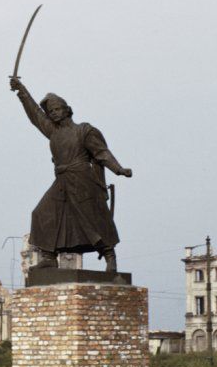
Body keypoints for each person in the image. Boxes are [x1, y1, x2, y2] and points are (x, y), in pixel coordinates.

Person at [9, 77, 132, 272]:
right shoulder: (53, 132)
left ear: (67, 109)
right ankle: (49, 256)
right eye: (51, 112)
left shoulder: (84, 130)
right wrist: (21, 91)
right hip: (62, 180)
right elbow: (35, 114)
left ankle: (110, 256)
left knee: (92, 218)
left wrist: (119, 169)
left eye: (57, 109)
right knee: (42, 213)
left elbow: (102, 153)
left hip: (83, 179)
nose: (54, 113)